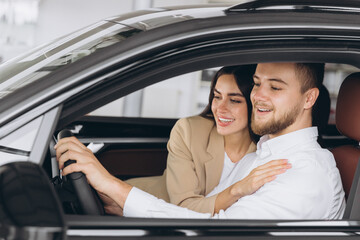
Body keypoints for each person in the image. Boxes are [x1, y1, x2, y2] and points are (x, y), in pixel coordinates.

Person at [56, 62, 346, 219]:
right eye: (257, 83)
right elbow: (198, 210)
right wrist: (119, 204)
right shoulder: (261, 156)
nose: (258, 95)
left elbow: (213, 231)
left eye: (276, 87)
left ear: (309, 98)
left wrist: (113, 186)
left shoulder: (305, 174)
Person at [125, 65, 290, 214]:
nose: (220, 108)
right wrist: (236, 190)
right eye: (217, 97)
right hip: (136, 209)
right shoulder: (188, 131)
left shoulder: (268, 148)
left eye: (234, 100)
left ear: (255, 103)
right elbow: (183, 209)